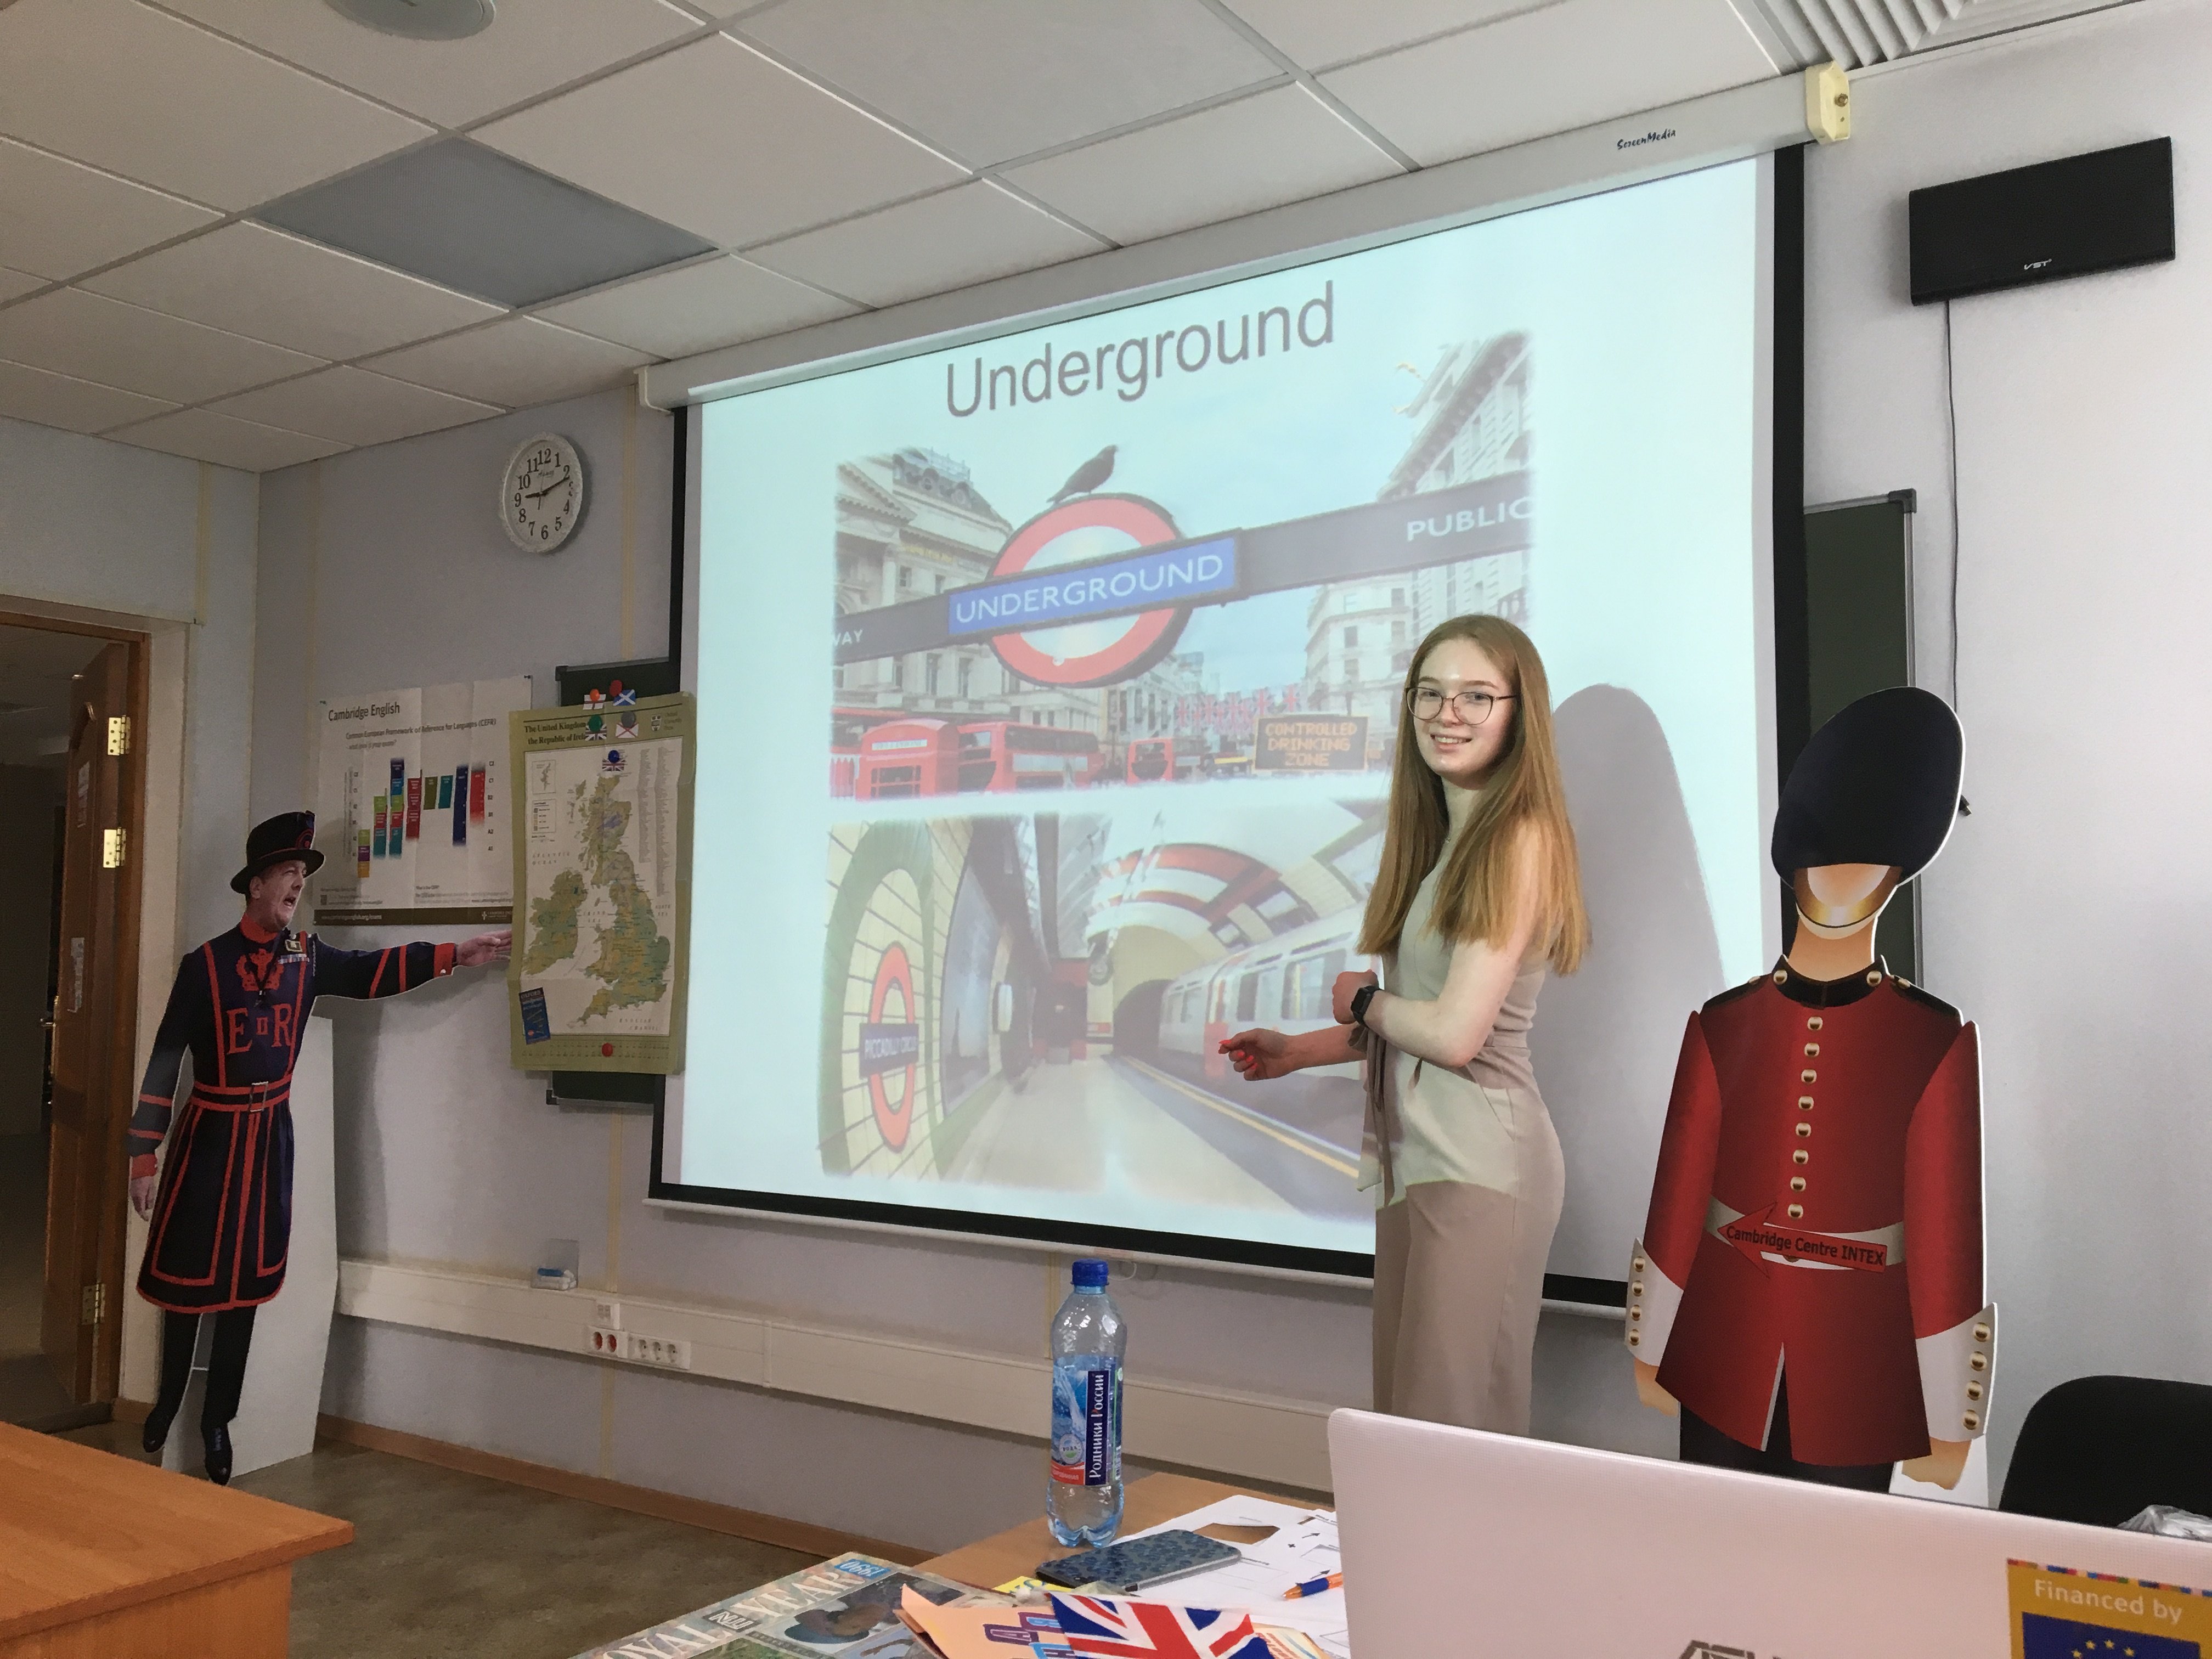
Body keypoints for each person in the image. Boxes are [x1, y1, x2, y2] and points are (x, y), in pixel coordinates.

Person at [1221, 615, 1587, 1433]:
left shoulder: (1517, 838)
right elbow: (1418, 1018)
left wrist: (1362, 999)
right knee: (1404, 1429)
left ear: (1519, 713)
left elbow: (1455, 1035)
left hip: (1481, 1166)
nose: (1446, 714)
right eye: (1431, 693)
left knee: (1449, 1440)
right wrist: (1297, 1052)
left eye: (1476, 696)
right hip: (1419, 1163)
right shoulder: (1447, 844)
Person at [1624, 686, 1990, 1492]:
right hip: (1724, 1342)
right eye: (1824, 857)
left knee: (1833, 1561)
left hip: (1859, 1362)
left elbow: (1946, 1241)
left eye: (1866, 859)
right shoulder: (1724, 1024)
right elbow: (1679, 1196)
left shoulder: (1934, 1039)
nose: (1840, 875)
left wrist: (1947, 1417)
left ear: (1898, 871)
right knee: (1713, 1542)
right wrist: (1652, 1346)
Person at [127, 810, 510, 1482]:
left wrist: (456, 954)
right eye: (287, 873)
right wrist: (143, 1153)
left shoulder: (307, 957)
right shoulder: (204, 965)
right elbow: (166, 1058)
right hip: (209, 1137)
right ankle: (168, 1400)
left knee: (244, 1290)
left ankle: (218, 1421)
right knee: (188, 1280)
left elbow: (371, 972)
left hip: (268, 1141)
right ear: (256, 885)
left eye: (301, 876)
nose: (297, 885)